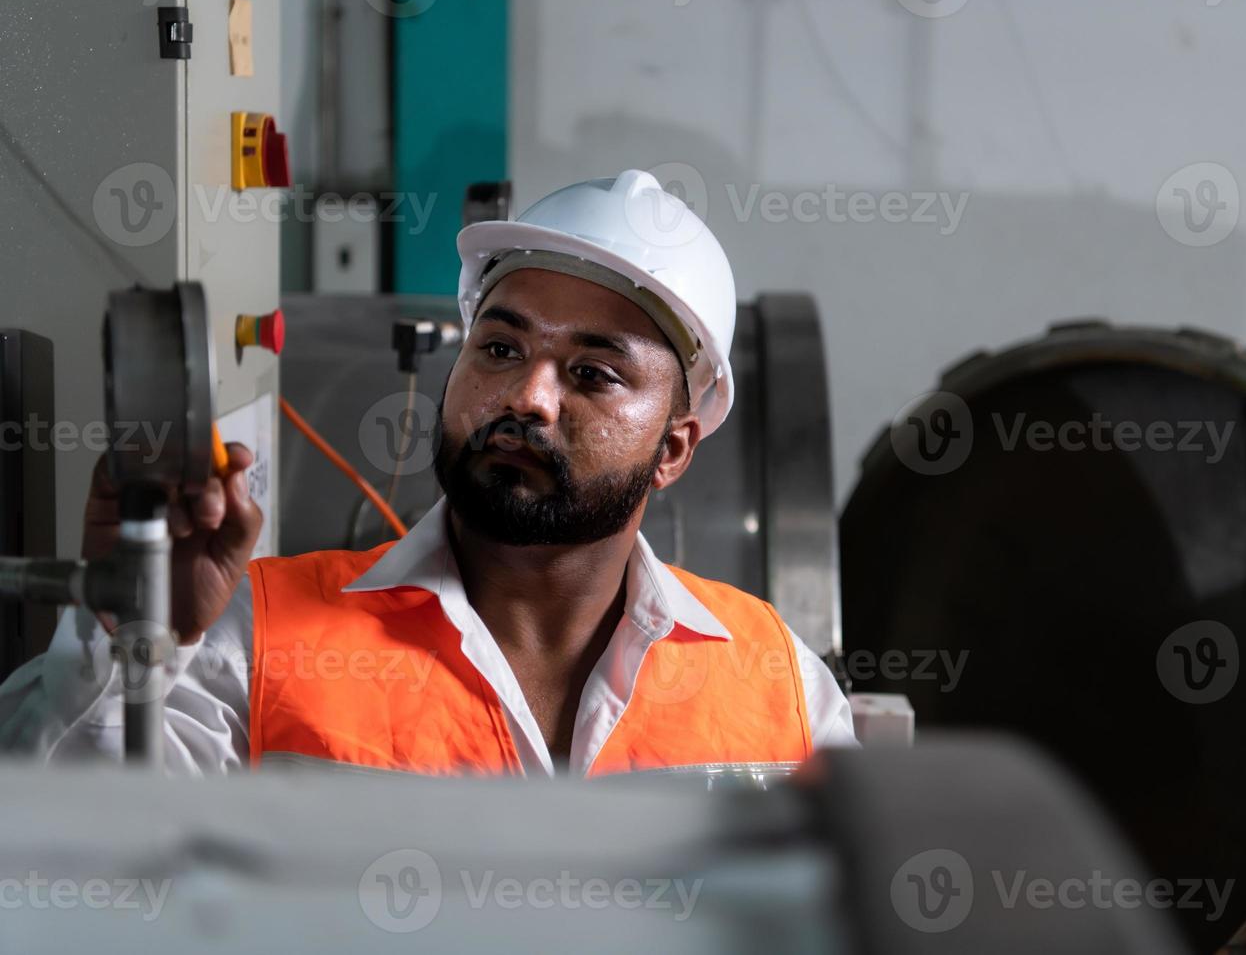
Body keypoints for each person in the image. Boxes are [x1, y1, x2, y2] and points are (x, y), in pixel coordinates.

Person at [0, 170, 855, 776]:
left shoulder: (778, 683)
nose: (527, 395)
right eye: (500, 347)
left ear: (673, 447)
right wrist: (131, 629)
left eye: (593, 373)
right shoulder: (257, 636)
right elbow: (69, 866)